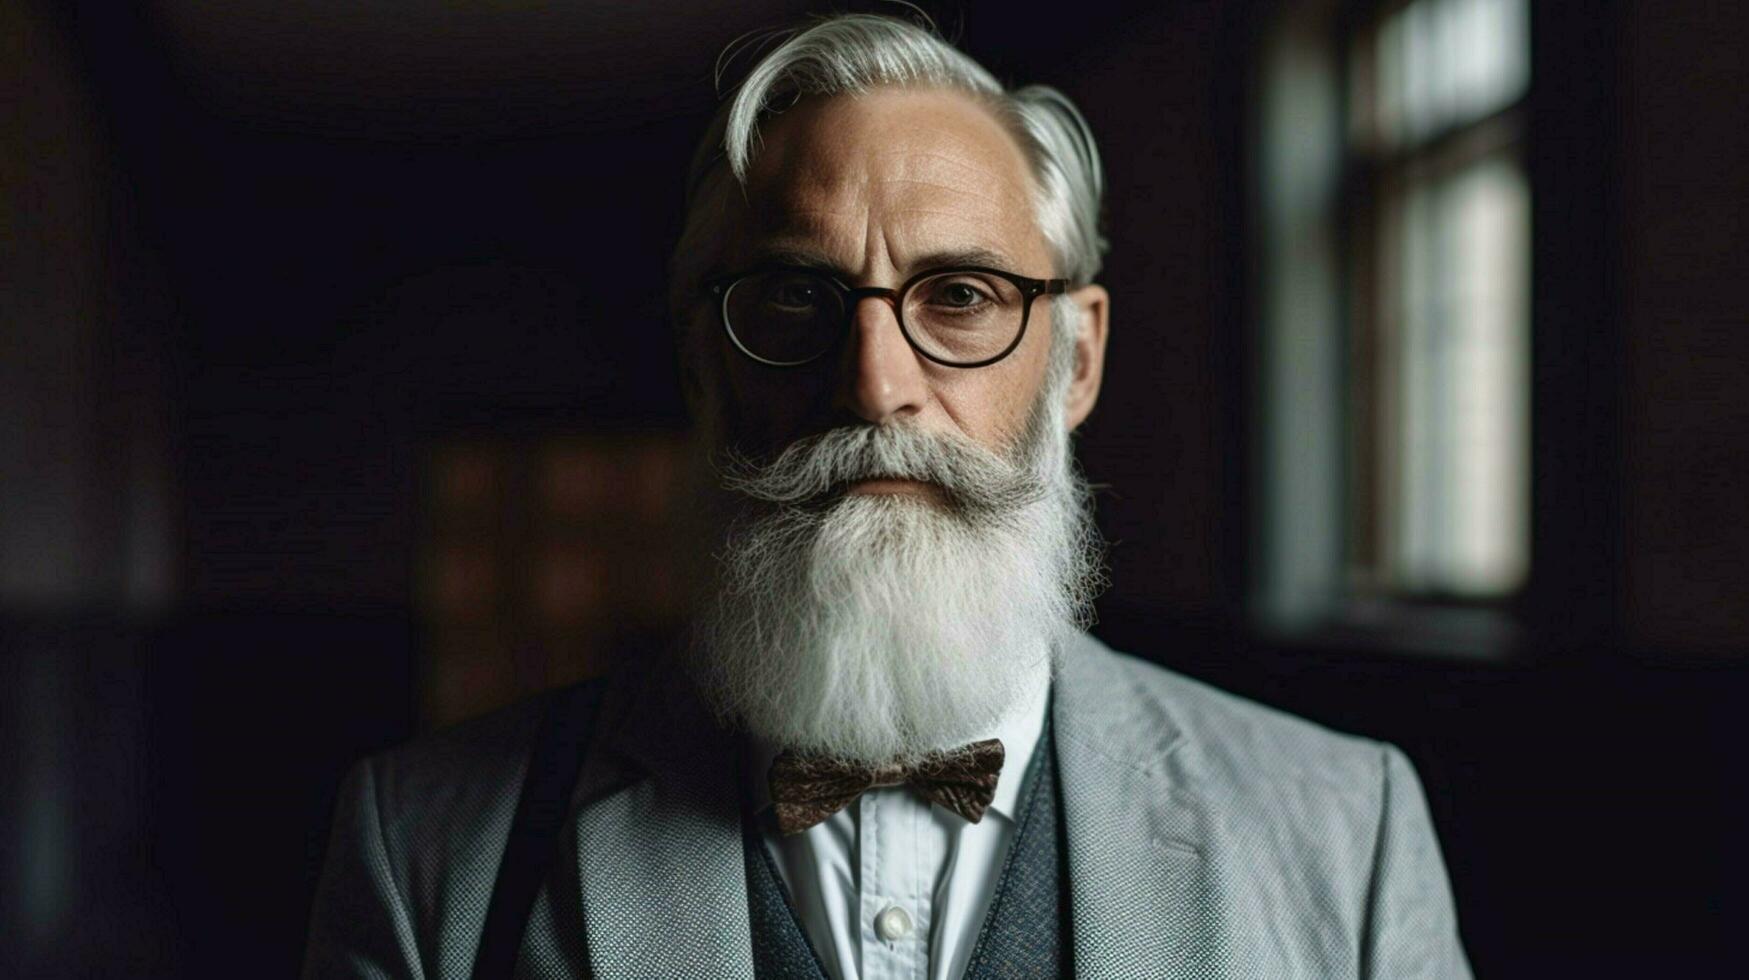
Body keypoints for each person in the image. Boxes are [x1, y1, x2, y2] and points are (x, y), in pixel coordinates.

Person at [303, 14, 1470, 979]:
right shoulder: (428, 848)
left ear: (1076, 359)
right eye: (794, 302)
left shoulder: (1345, 835)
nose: (874, 384)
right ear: (703, 362)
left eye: (959, 294)